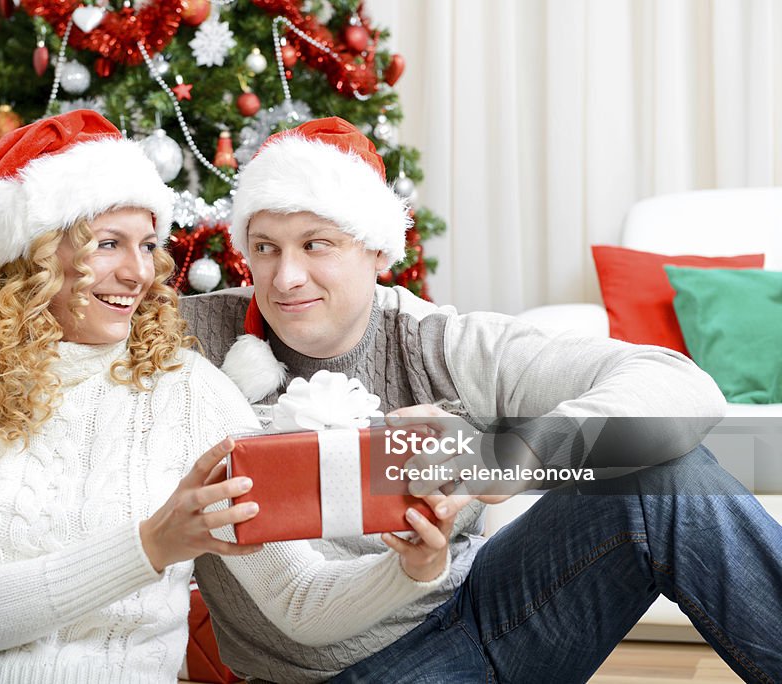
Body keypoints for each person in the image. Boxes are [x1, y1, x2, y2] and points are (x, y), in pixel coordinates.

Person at [179, 117, 782, 683]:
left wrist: (509, 452)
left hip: (491, 619)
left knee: (669, 479)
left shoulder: (440, 344)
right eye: (265, 247)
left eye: (316, 244)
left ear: (378, 250)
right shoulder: (192, 342)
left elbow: (682, 387)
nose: (285, 277)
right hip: (344, 672)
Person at [0, 110, 459, 683]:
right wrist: (151, 545)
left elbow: (296, 597)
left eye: (148, 245)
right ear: (30, 255)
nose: (139, 272)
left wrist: (410, 569)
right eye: (108, 243)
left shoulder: (191, 392)